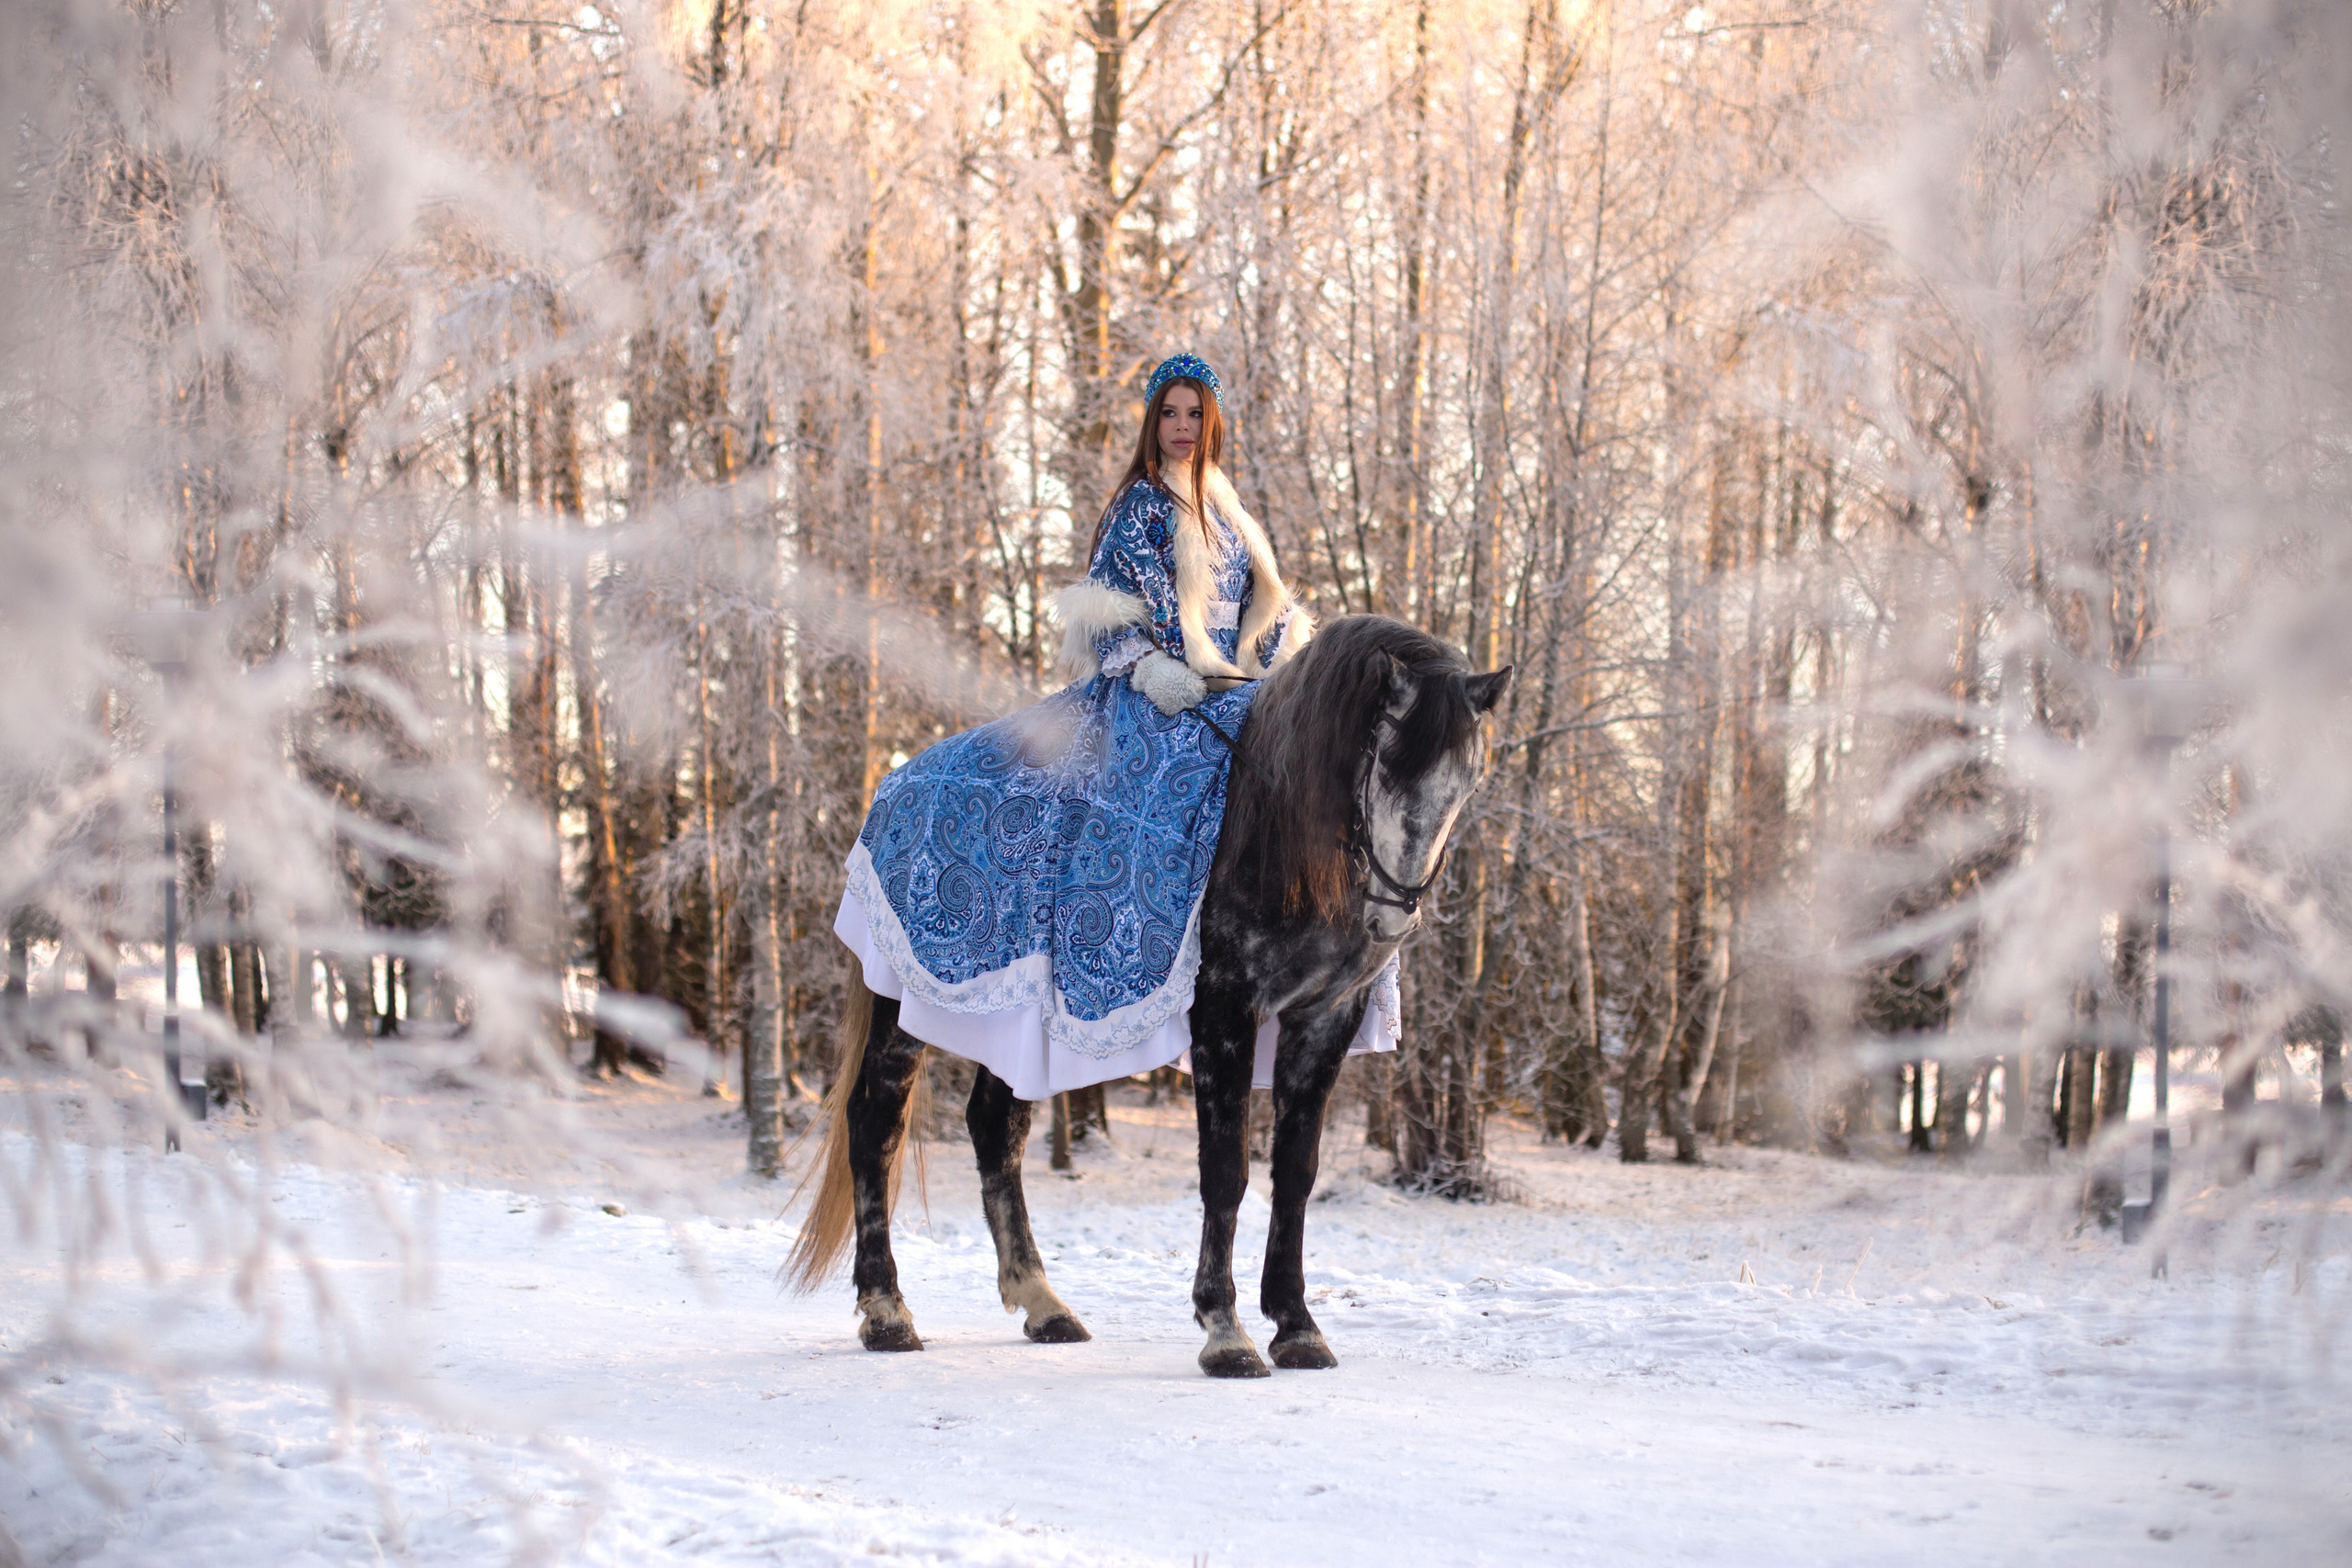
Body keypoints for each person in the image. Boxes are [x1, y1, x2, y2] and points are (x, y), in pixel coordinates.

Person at [833, 352, 1400, 1100]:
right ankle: (1119, 958)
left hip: (1232, 690)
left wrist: (1281, 664)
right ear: (1151, 420)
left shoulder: (1231, 512)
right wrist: (1155, 670)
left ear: (1213, 421)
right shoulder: (1137, 508)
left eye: (1195, 414)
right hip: (1151, 693)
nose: (1182, 427)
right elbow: (1109, 613)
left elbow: (1262, 617)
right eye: (1170, 413)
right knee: (1143, 806)